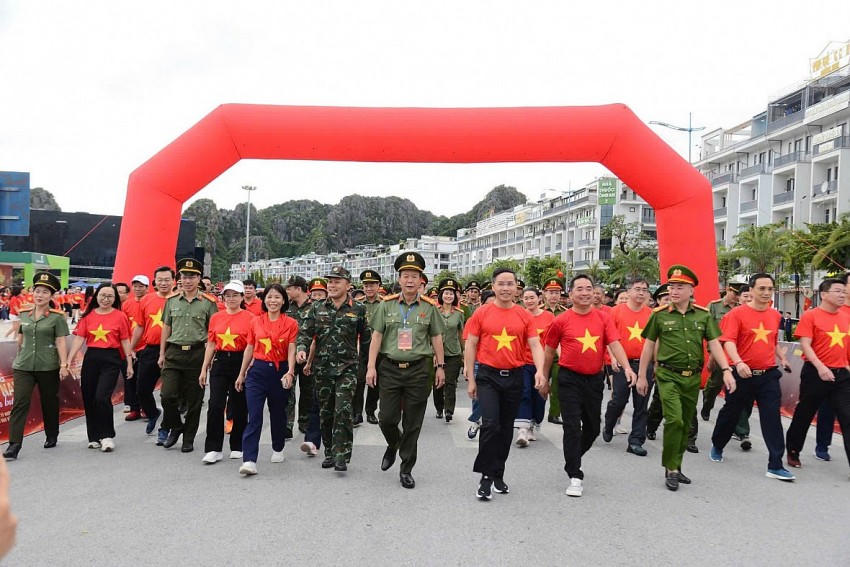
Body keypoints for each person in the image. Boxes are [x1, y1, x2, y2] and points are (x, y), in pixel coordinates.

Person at [636, 265, 733, 492]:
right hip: (667, 375)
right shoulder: (658, 316)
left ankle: (677, 466)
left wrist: (727, 369)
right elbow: (648, 347)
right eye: (672, 286)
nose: (674, 291)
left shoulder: (703, 315)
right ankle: (670, 468)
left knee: (686, 423)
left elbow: (714, 344)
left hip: (692, 378)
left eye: (680, 287)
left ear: (691, 290)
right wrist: (642, 376)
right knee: (675, 420)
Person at [543, 274, 636, 497]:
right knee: (572, 426)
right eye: (580, 289)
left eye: (588, 288)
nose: (585, 293)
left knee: (593, 427)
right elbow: (548, 351)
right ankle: (575, 474)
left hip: (593, 379)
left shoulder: (603, 318)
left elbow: (614, 343)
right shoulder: (560, 320)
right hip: (568, 379)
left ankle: (572, 458)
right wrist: (544, 377)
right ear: (571, 294)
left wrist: (627, 368)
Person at [366, 252, 446, 489]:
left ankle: (406, 468)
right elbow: (376, 337)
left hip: (419, 370)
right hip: (389, 368)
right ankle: (394, 443)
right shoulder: (386, 305)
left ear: (422, 280)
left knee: (413, 422)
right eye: (405, 276)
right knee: (386, 418)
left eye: (414, 276)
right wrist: (371, 366)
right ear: (399, 279)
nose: (410, 280)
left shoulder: (430, 308)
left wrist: (440, 367)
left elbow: (437, 337)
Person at [465, 269, 546, 500]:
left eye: (510, 284)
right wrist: (471, 378)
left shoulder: (524, 315)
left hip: (514, 376)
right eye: (501, 284)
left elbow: (535, 345)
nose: (506, 288)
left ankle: (498, 473)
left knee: (505, 428)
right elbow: (471, 346)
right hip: (488, 376)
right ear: (493, 286)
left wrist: (540, 371)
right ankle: (485, 477)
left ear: (516, 287)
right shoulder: (481, 313)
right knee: (490, 424)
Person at [708, 273, 795, 480]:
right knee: (731, 412)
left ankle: (775, 464)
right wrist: (738, 363)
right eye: (761, 289)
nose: (766, 293)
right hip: (741, 375)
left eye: (770, 289)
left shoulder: (775, 316)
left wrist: (782, 359)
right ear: (751, 290)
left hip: (768, 375)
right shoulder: (736, 315)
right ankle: (718, 445)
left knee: (772, 418)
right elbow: (728, 342)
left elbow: (772, 342)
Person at [296, 266, 369, 471]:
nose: (332, 285)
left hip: (347, 368)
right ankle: (328, 450)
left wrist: (368, 366)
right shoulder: (316, 308)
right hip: (323, 369)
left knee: (343, 410)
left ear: (348, 285)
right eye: (330, 281)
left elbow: (366, 340)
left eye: (337, 281)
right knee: (326, 412)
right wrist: (301, 350)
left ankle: (341, 455)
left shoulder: (358, 309)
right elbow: (305, 334)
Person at [785, 278, 850, 472]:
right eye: (838, 291)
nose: (842, 294)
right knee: (805, 413)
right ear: (824, 294)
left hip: (841, 376)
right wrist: (821, 367)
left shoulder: (846, 317)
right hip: (815, 372)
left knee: (847, 417)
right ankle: (793, 450)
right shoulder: (811, 316)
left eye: (843, 291)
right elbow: (805, 344)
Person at [3, 273, 70, 460]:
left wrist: (63, 364)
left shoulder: (57, 317)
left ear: (51, 296)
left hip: (47, 366)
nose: (39, 295)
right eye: (37, 291)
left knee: (49, 401)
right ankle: (14, 444)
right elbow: (21, 337)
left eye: (45, 292)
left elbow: (61, 342)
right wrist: (17, 355)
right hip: (23, 365)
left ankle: (52, 433)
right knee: (20, 403)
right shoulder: (24, 312)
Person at [234, 283, 298, 476]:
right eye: (269, 297)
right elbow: (249, 348)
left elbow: (291, 349)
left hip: (280, 371)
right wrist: (241, 373)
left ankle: (278, 447)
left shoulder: (291, 323)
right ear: (264, 300)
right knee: (254, 416)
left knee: (278, 413)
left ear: (284, 301)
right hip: (258, 372)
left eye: (277, 297)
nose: (273, 301)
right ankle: (250, 460)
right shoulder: (255, 322)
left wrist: (290, 372)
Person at [158, 258, 219, 453]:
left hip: (197, 353)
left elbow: (213, 333)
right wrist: (162, 353)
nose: (188, 280)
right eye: (184, 276)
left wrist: (208, 361)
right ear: (179, 279)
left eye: (192, 276)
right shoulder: (171, 301)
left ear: (199, 278)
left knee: (194, 400)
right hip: (174, 352)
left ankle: (188, 438)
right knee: (167, 395)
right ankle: (175, 426)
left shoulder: (209, 303)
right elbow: (166, 327)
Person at [66, 284, 134, 452]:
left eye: (110, 296)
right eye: (102, 295)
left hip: (111, 359)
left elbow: (125, 341)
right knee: (89, 397)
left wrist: (129, 363)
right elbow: (79, 339)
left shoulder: (120, 316)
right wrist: (69, 359)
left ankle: (107, 435)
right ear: (96, 296)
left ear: (115, 299)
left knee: (102, 397)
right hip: (91, 358)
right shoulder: (88, 316)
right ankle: (94, 436)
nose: (105, 299)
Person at [199, 280, 254, 464]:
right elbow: (212, 343)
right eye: (227, 295)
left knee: (239, 405)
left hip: (241, 360)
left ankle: (237, 444)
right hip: (221, 361)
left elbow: (252, 346)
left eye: (235, 295)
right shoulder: (216, 317)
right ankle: (213, 448)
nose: (231, 299)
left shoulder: (250, 318)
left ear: (241, 297)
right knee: (215, 404)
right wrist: (204, 368)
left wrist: (246, 369)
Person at [602, 278, 654, 456]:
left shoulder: (651, 314)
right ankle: (609, 424)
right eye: (637, 289)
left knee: (642, 403)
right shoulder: (615, 312)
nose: (641, 293)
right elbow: (608, 337)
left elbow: (655, 341)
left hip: (644, 364)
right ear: (629, 291)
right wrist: (613, 358)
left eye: (644, 290)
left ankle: (636, 441)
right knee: (619, 400)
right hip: (623, 365)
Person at [130, 267, 176, 444]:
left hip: (173, 350)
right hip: (150, 350)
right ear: (154, 282)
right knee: (142, 390)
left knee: (169, 394)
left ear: (173, 281)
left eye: (167, 280)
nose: (163, 283)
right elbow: (140, 326)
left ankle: (166, 427)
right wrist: (131, 347)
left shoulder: (178, 299)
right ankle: (152, 413)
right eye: (160, 280)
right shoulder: (146, 300)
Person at [513, 286, 553, 447]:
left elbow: (553, 341)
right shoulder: (518, 316)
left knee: (539, 396)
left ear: (539, 299)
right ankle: (522, 429)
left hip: (541, 364)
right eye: (526, 298)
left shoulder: (549, 317)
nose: (529, 301)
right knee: (524, 393)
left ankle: (533, 424)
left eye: (532, 297)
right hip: (521, 362)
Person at [284, 275, 313, 438]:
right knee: (288, 388)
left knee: (308, 390)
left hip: (309, 356)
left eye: (289, 288)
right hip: (289, 355)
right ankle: (287, 425)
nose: (287, 291)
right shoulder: (287, 307)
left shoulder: (316, 307)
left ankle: (305, 422)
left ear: (298, 289)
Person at [433, 278, 465, 422]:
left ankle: (449, 410)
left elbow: (461, 334)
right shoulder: (434, 311)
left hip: (453, 353)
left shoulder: (459, 313)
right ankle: (439, 408)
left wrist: (464, 353)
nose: (448, 296)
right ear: (441, 295)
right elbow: (430, 333)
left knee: (451, 382)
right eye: (446, 293)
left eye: (451, 293)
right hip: (436, 353)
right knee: (438, 382)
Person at [354, 269, 383, 425]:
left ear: (378, 286)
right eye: (366, 285)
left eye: (372, 285)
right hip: (360, 349)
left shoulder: (385, 304)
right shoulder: (357, 305)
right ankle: (357, 413)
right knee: (358, 381)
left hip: (379, 349)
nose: (368, 288)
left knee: (375, 382)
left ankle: (370, 411)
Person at [466, 290, 496, 440]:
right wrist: (467, 366)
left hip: (498, 364)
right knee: (477, 394)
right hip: (479, 361)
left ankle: (489, 424)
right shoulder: (475, 319)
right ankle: (476, 421)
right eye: (489, 304)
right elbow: (468, 342)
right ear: (481, 304)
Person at [542, 277, 567, 426]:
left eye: (557, 292)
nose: (553, 296)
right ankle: (534, 414)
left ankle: (554, 413)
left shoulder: (565, 313)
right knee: (539, 384)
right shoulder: (537, 310)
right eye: (550, 292)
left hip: (559, 356)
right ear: (544, 293)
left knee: (558, 384)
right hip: (540, 355)